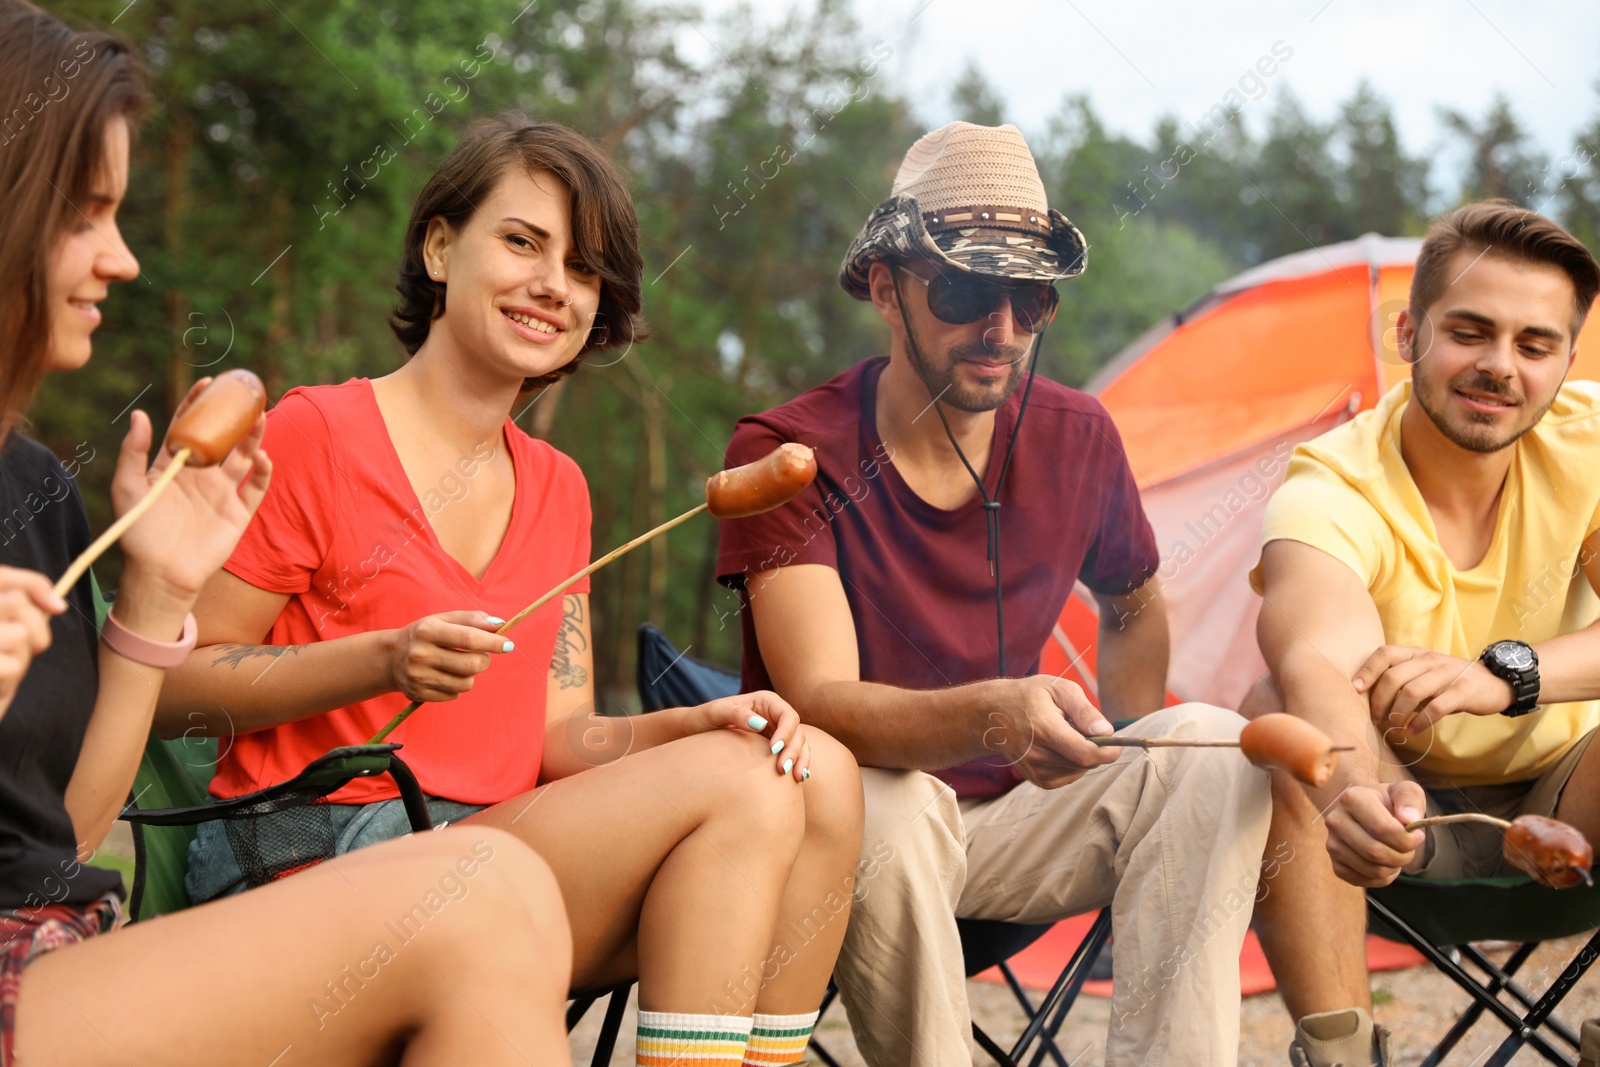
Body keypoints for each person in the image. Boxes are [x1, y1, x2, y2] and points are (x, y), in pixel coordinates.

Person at [156, 113, 864, 1065]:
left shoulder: (560, 486)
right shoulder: (315, 432)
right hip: (302, 856)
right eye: (524, 242)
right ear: (441, 247)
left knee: (814, 769)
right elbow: (175, 687)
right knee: (748, 795)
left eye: (582, 269)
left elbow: (556, 740)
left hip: (483, 851)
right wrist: (380, 658)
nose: (552, 285)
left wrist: (686, 725)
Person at [0, 3, 574, 1064]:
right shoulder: (325, 429)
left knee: (516, 884)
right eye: (84, 216)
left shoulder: (32, 487)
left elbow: (67, 838)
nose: (121, 260)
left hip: (58, 954)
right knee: (481, 889)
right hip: (226, 878)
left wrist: (158, 593)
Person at [715, 120, 1274, 1066]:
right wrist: (994, 716)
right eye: (970, 290)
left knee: (1212, 753)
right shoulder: (787, 452)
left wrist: (1129, 739)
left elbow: (1134, 597)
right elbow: (821, 705)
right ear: (888, 289)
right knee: (883, 805)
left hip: (1015, 822)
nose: (1003, 329)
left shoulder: (1079, 435)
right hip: (852, 827)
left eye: (1030, 297)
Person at [1247, 199, 1600, 1067]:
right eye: (1469, 332)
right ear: (1407, 333)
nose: (1499, 367)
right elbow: (1316, 659)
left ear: (1568, 358)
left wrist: (1501, 676)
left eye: (1534, 343)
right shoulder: (1332, 489)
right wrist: (1350, 791)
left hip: (1570, 802)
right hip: (1390, 816)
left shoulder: (1588, 445)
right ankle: (1343, 1054)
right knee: (1275, 726)